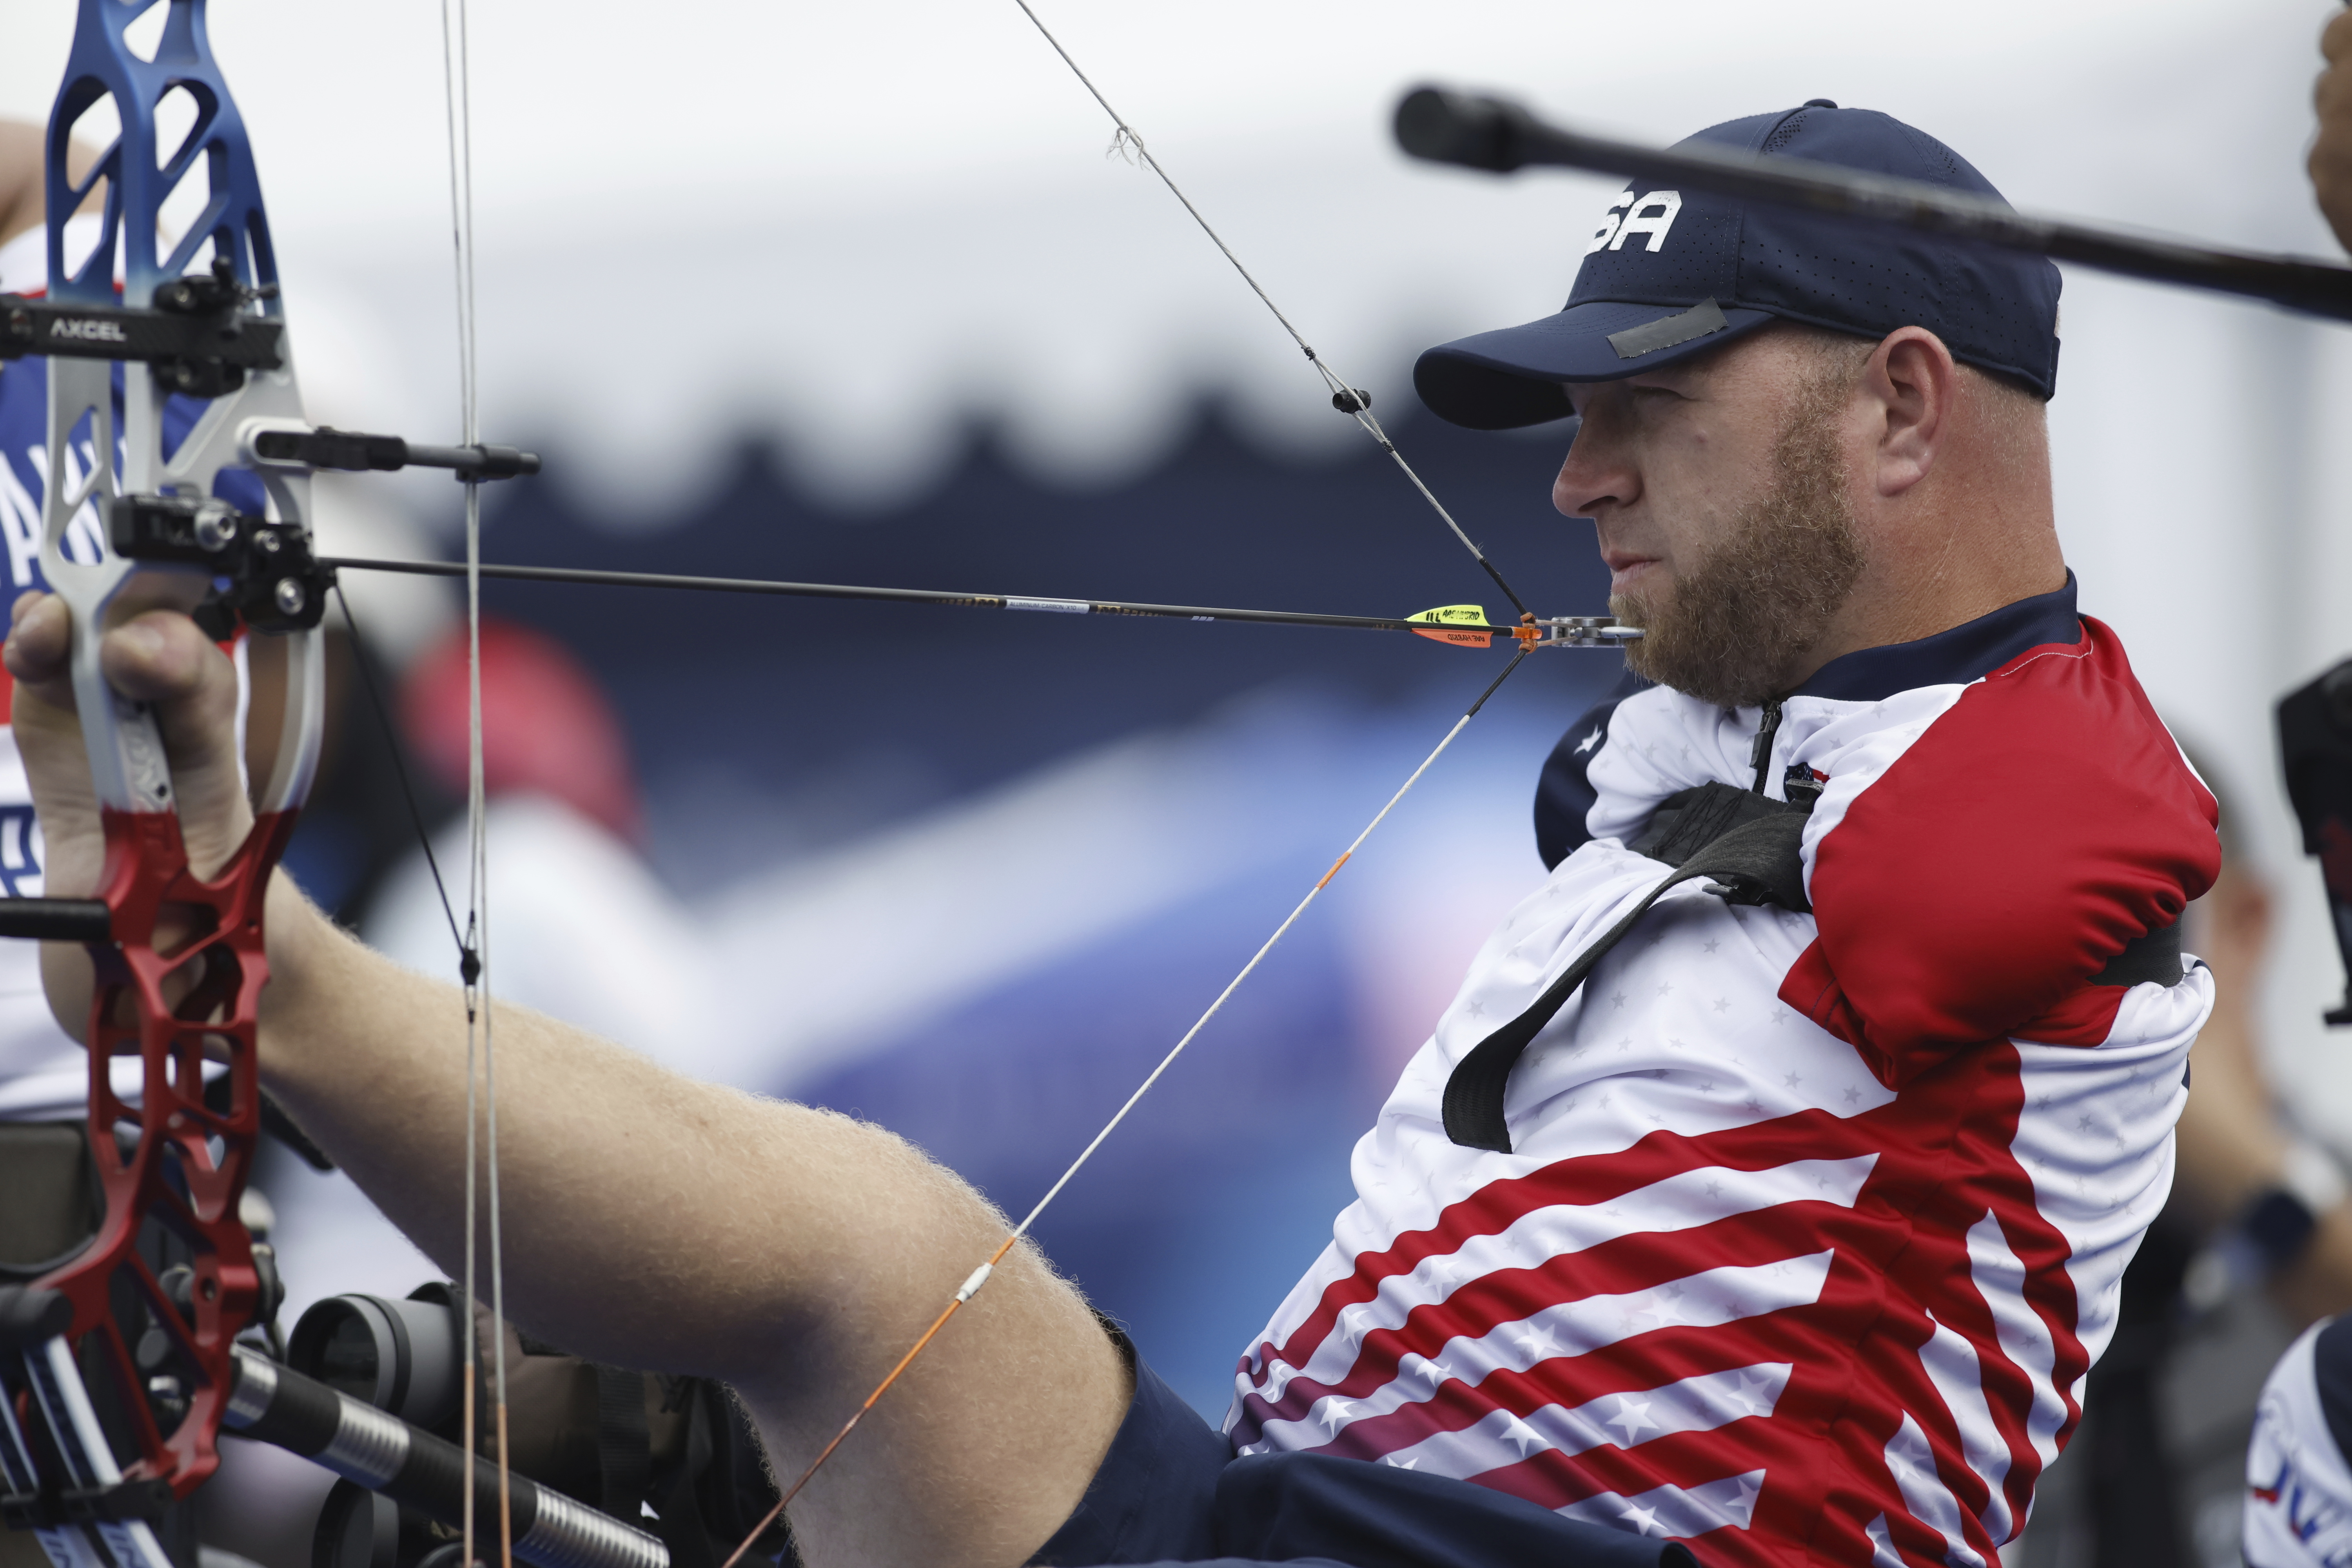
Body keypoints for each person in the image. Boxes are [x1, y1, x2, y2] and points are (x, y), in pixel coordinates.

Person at [4, 103, 2218, 1568]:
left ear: (1905, 406)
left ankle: (252, 968)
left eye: (1655, 404)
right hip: (1335, 1520)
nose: (1579, 478)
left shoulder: (2049, 775)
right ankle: (246, 970)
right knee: (811, 1334)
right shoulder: (1741, 776)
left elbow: (2052, 866)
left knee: (881, 1268)